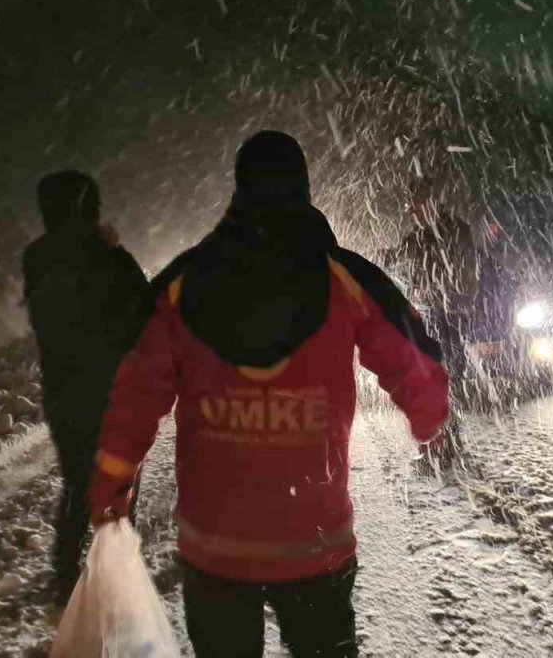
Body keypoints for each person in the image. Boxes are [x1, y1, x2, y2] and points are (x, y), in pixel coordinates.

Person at [88, 131, 450, 657]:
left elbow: (134, 395)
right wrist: (429, 417)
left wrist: (111, 485)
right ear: (302, 187)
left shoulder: (182, 284)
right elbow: (412, 356)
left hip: (215, 546)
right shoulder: (343, 277)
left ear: (240, 188)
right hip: (314, 540)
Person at [21, 170, 150, 607]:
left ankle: (66, 575)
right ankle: (115, 573)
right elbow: (144, 311)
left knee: (78, 481)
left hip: (63, 390)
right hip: (113, 389)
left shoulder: (37, 256)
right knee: (118, 480)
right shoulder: (107, 256)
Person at [381, 179, 479, 470]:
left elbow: (463, 277)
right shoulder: (421, 236)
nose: (412, 213)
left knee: (441, 380)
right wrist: (379, 258)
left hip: (449, 315)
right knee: (436, 381)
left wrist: (432, 291)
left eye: (416, 206)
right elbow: (398, 256)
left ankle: (443, 449)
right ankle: (444, 446)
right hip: (435, 315)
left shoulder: (455, 231)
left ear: (431, 203)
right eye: (411, 208)